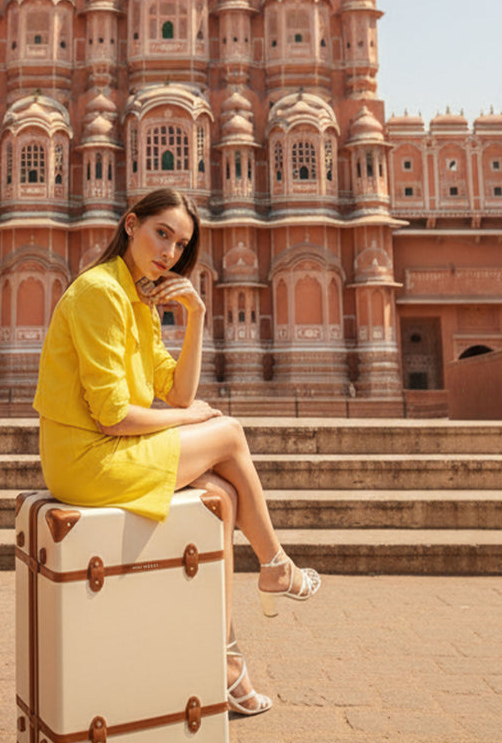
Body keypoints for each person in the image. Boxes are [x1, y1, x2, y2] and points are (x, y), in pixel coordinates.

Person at [32, 188, 320, 715]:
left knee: (221, 498)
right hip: (86, 460)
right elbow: (114, 415)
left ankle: (229, 668)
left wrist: (196, 316)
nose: (169, 251)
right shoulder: (101, 292)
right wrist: (191, 419)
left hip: (111, 452)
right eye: (161, 233)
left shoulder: (137, 299)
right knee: (228, 433)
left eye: (180, 244)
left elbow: (179, 392)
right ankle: (276, 564)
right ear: (130, 224)